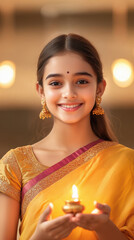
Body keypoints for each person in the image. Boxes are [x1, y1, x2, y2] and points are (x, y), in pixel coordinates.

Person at [0, 33, 134, 240]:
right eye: (55, 83)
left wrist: (105, 228)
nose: (69, 93)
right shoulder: (14, 165)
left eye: (81, 81)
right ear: (41, 91)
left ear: (100, 88)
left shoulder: (127, 163)